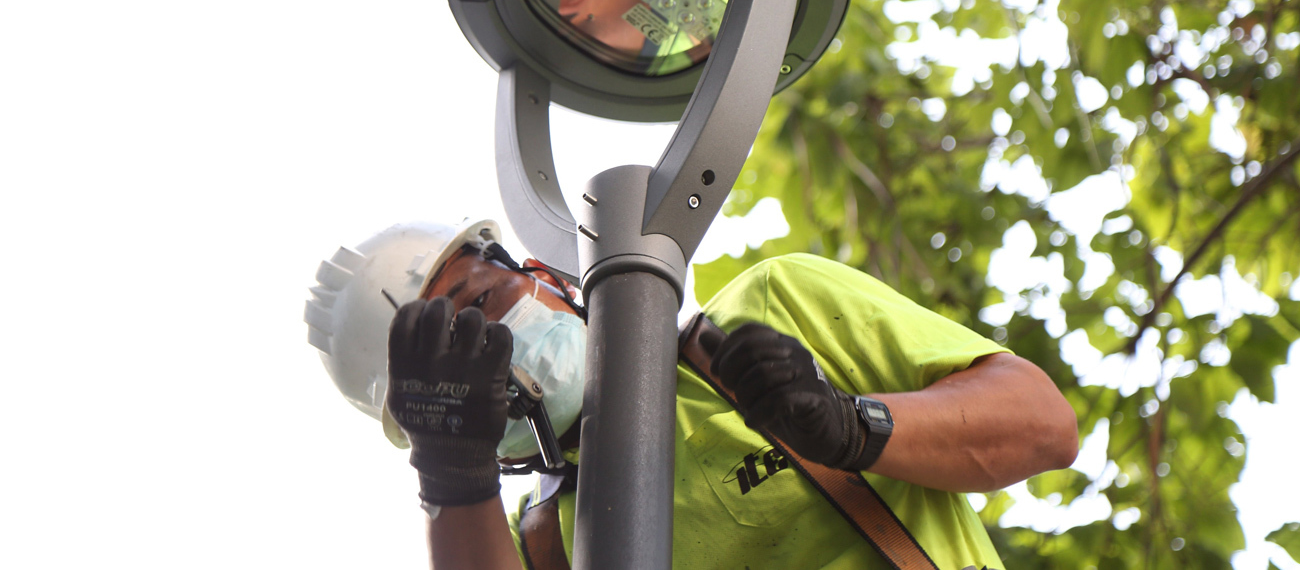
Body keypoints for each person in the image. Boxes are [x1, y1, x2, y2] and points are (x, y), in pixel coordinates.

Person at [306, 220, 1079, 569]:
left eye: (482, 308)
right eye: (452, 370)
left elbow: (1045, 426)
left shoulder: (780, 307)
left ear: (539, 271)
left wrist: (853, 427)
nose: (495, 358)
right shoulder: (542, 547)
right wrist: (452, 475)